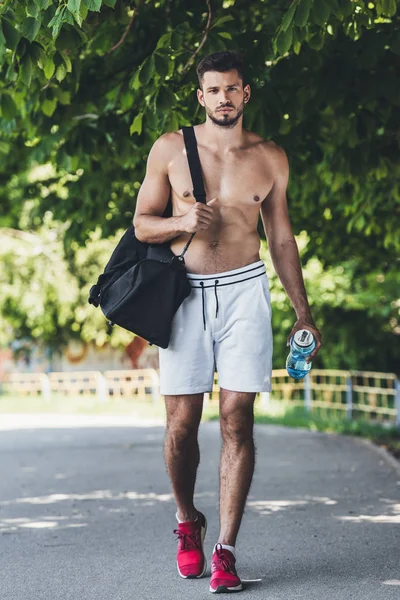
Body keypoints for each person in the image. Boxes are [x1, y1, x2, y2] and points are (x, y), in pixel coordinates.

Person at [133, 50, 322, 594]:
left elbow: (281, 239)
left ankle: (226, 550)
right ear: (201, 96)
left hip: (246, 291)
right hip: (184, 294)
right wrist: (182, 219)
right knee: (181, 426)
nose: (223, 98)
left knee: (238, 418)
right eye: (212, 90)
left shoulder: (270, 157)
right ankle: (188, 520)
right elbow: (143, 225)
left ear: (246, 93)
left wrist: (302, 312)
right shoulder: (170, 149)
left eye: (232, 89)